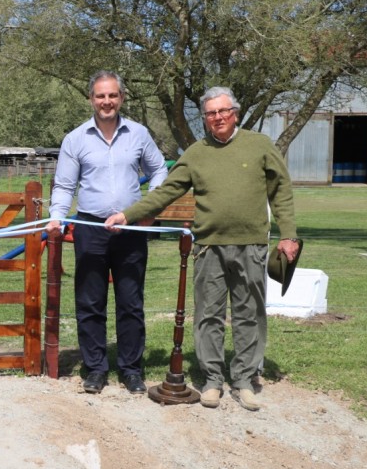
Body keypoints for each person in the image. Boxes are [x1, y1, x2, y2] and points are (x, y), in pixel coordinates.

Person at [105, 86, 299, 411]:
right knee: (208, 315)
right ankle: (212, 381)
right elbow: (166, 191)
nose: (218, 117)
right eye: (211, 113)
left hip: (251, 246)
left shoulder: (260, 145)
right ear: (205, 118)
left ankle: (244, 381)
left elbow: (281, 190)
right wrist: (129, 214)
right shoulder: (196, 153)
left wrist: (289, 234)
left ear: (234, 112)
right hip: (209, 248)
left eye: (223, 111)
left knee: (249, 314)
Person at [46, 70, 168, 395]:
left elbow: (159, 170)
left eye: (112, 95)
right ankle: (95, 368)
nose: (106, 101)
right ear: (91, 99)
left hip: (130, 231)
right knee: (90, 302)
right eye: (100, 96)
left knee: (130, 302)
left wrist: (149, 209)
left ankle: (131, 370)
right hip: (90, 229)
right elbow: (64, 185)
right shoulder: (75, 139)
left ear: (122, 98)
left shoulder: (139, 134)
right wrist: (57, 217)